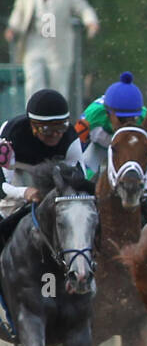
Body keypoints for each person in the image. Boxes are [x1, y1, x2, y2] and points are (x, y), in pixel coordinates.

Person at [5, 0, 99, 103]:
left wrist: (91, 21)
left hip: (57, 43)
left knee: (59, 85)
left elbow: (82, 7)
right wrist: (13, 27)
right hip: (34, 40)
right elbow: (20, 10)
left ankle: (57, 119)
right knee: (33, 82)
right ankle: (33, 117)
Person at [67, 72, 147, 212]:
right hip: (97, 149)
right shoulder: (90, 118)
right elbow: (73, 154)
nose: (126, 124)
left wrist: (139, 178)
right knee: (83, 180)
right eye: (121, 119)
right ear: (107, 113)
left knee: (143, 187)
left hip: (129, 154)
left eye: (132, 118)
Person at [0, 89, 79, 248]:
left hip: (52, 173)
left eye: (61, 127)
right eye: (47, 129)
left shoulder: (70, 136)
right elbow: (2, 185)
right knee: (6, 208)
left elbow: (78, 180)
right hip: (17, 174)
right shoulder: (11, 135)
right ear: (32, 125)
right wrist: (24, 192)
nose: (56, 134)